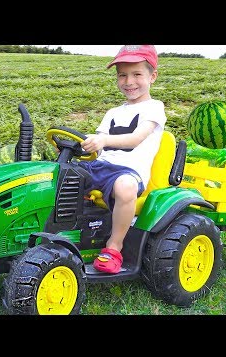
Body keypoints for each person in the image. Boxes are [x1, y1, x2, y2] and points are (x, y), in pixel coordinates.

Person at [77, 45, 167, 274]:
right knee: (62, 174)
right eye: (122, 75)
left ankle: (114, 247)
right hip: (101, 166)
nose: (129, 81)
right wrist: (83, 146)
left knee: (125, 188)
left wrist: (103, 140)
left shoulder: (154, 108)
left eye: (137, 74)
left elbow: (135, 139)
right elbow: (98, 145)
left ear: (152, 76)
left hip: (128, 171)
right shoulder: (113, 112)